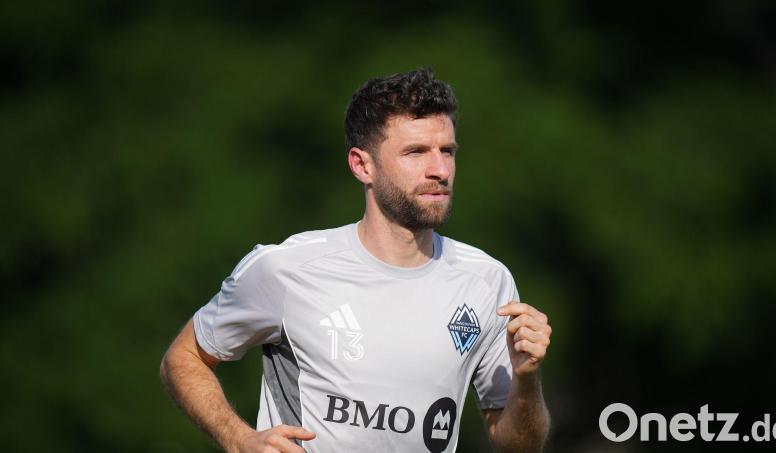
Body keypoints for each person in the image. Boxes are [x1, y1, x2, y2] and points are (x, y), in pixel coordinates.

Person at [160, 68, 552, 453]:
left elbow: (517, 445)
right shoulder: (288, 269)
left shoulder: (486, 282)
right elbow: (185, 357)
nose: (440, 170)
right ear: (362, 165)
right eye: (416, 152)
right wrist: (239, 439)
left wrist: (526, 378)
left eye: (447, 151)